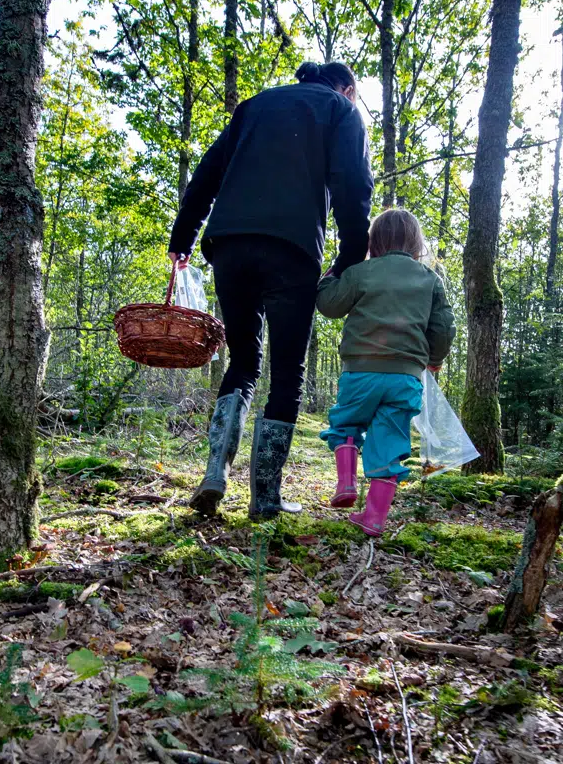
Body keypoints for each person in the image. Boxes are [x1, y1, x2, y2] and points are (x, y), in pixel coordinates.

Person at [169, 61, 374, 521]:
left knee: (242, 361)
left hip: (230, 245)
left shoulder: (256, 105)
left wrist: (182, 238)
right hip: (292, 249)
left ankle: (214, 474)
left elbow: (207, 173)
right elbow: (353, 185)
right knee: (286, 371)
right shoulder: (341, 111)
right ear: (346, 88)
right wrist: (349, 256)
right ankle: (264, 496)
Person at [316, 209, 455, 537]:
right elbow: (444, 327)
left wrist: (329, 276)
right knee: (390, 442)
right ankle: (375, 518)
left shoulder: (361, 272)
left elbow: (330, 306)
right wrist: (433, 359)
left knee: (346, 425)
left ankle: (347, 484)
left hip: (360, 373)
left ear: (373, 241)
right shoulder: (429, 279)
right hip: (405, 377)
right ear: (415, 241)